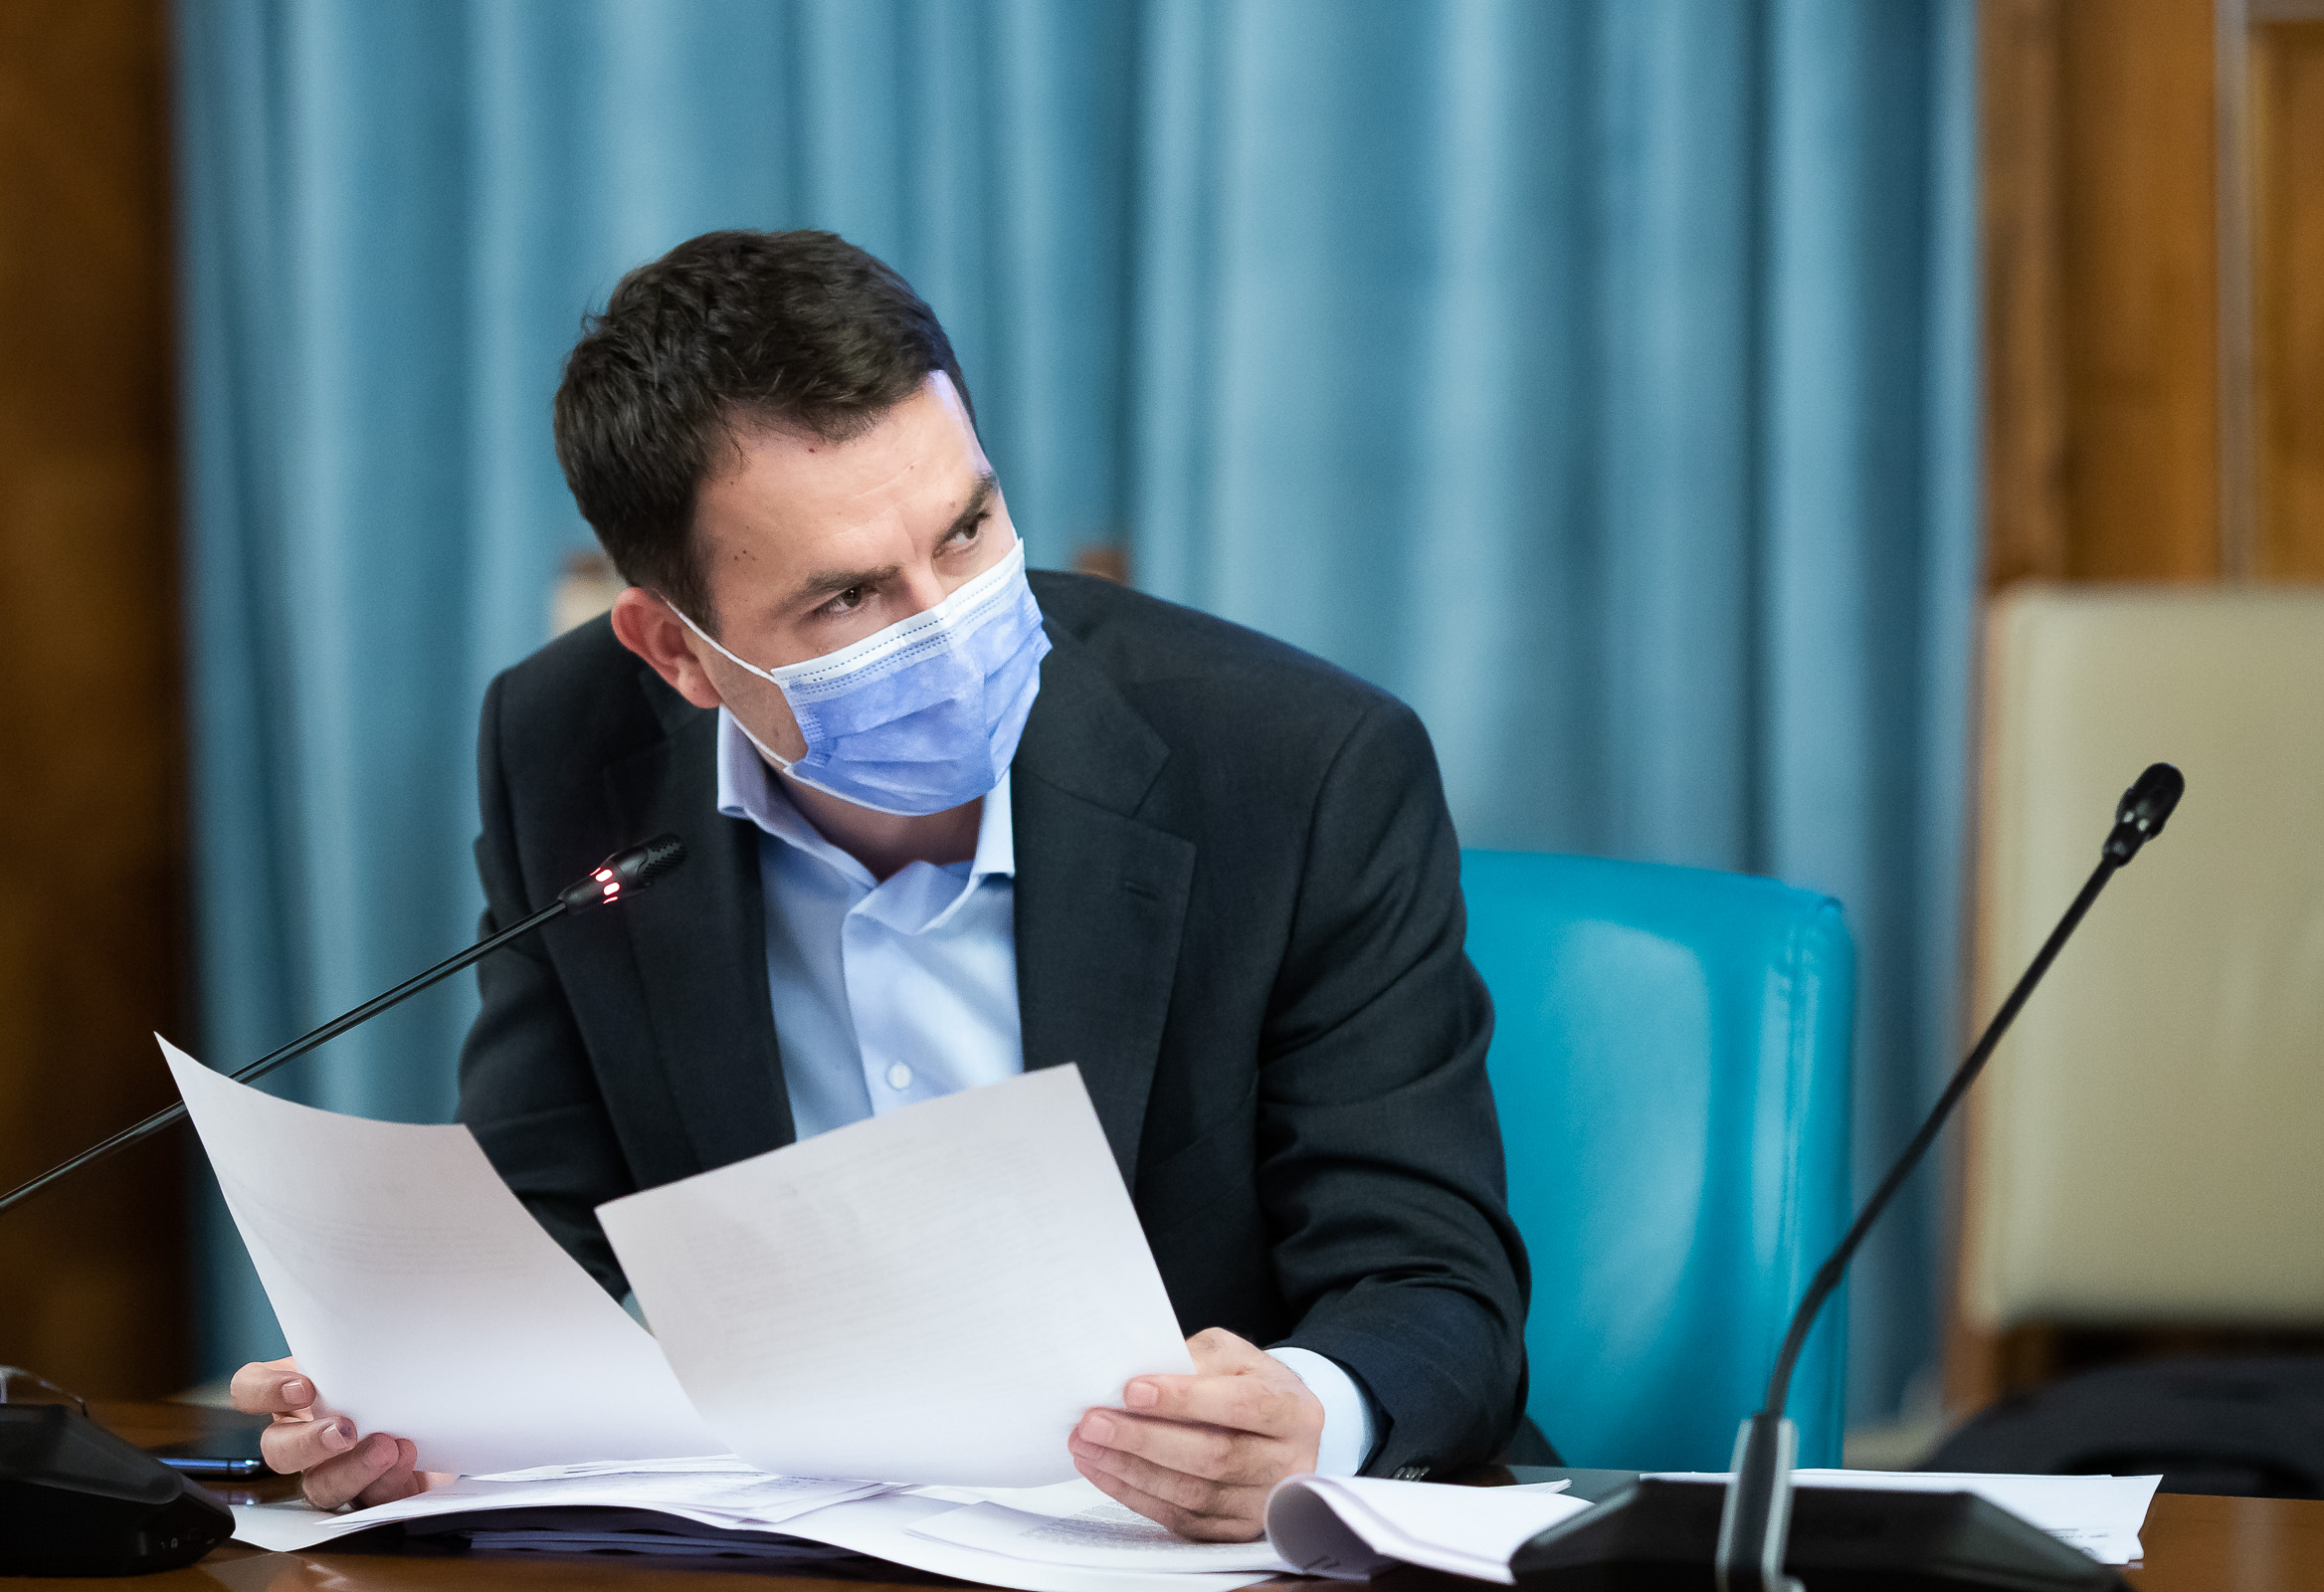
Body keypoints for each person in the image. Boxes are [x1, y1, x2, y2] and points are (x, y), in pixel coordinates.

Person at [230, 229, 1532, 1541]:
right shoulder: (567, 749)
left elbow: (1432, 1287)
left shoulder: (1297, 768)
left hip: (1179, 1557)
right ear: (675, 651)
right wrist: (402, 1407)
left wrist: (1311, 1418)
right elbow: (536, 1221)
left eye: (966, 530)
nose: (948, 622)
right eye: (848, 598)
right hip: (806, 1540)